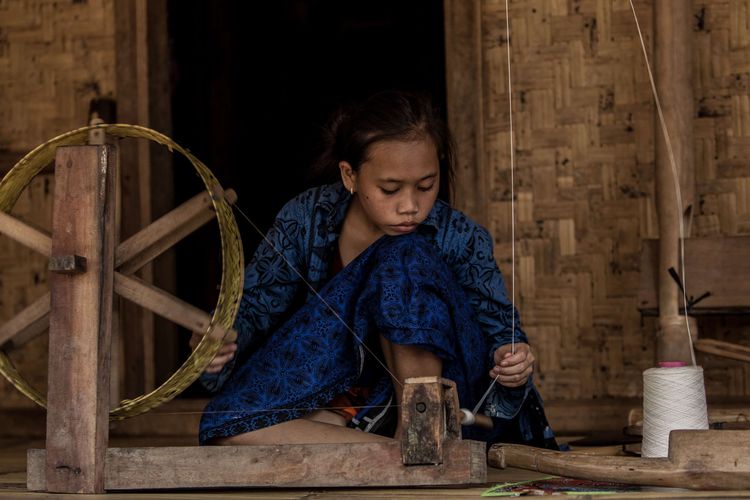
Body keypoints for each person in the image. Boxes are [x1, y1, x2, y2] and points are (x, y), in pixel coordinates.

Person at [193, 90, 557, 449]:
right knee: (227, 426)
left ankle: (419, 430)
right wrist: (221, 339)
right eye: (390, 189)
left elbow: (502, 334)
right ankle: (406, 454)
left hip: (451, 399)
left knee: (405, 255)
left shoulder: (459, 237)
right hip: (347, 394)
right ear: (349, 176)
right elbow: (255, 306)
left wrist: (512, 359)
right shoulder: (305, 219)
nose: (410, 206)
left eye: (426, 186)